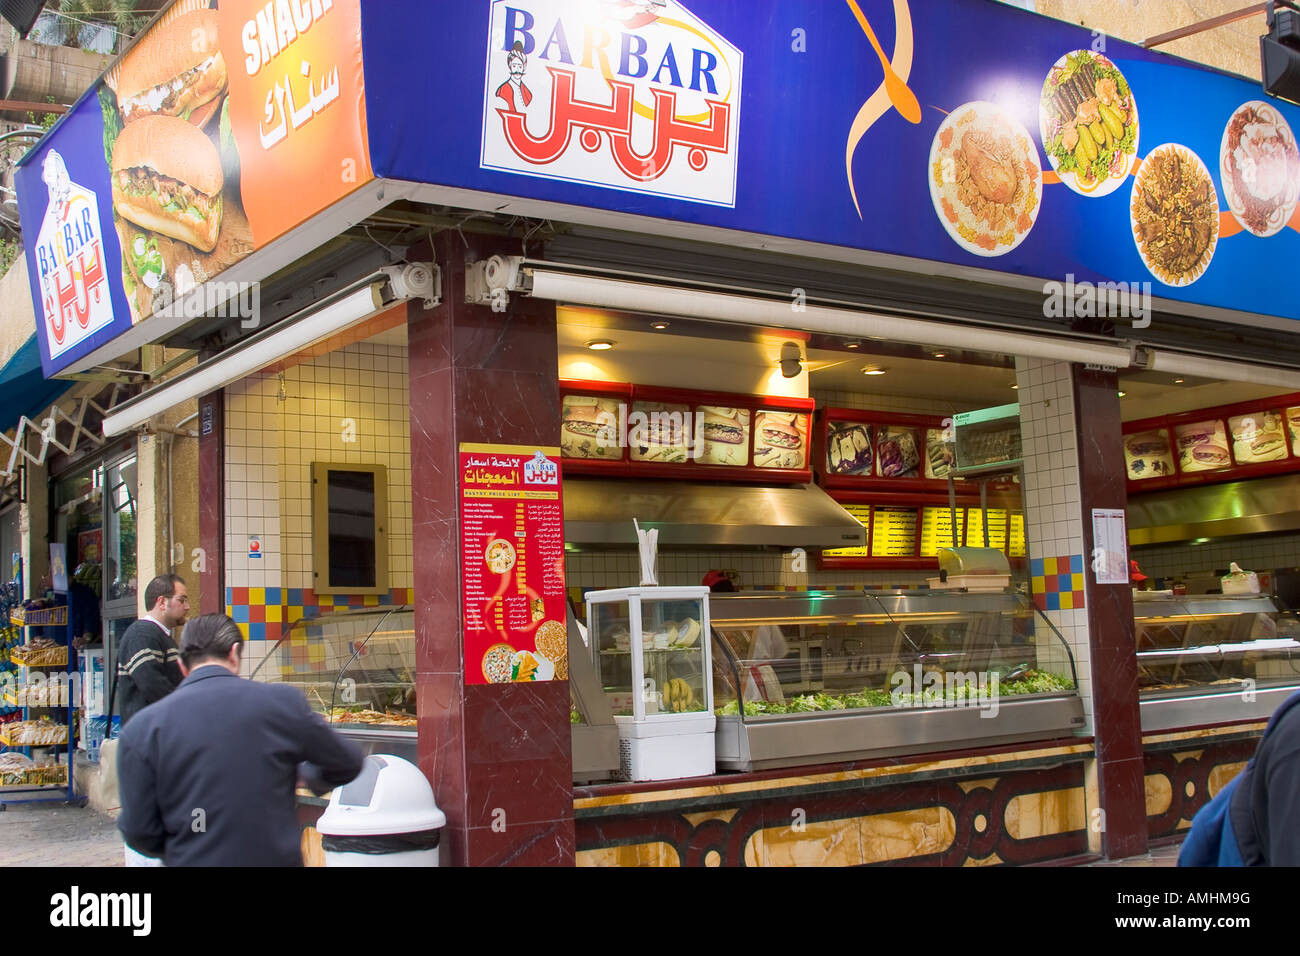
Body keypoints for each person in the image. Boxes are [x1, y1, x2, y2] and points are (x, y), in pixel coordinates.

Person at [116, 614, 364, 866]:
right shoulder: (283, 703)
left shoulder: (140, 730)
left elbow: (139, 831)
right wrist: (303, 775)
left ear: (182, 666)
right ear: (234, 653)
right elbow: (348, 762)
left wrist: (184, 846)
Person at [117, 574, 188, 728]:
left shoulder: (157, 635)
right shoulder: (141, 634)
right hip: (147, 740)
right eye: (181, 600)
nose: (187, 607)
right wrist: (187, 710)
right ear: (162, 602)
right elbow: (152, 684)